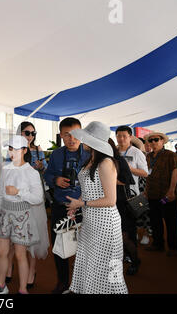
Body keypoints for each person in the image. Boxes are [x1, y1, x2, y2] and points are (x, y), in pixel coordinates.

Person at [66, 121, 128, 294]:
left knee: (107, 268)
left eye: (85, 138)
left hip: (105, 224)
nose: (82, 141)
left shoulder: (106, 163)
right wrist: (77, 204)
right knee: (91, 263)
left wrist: (81, 204)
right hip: (92, 222)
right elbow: (89, 189)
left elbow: (110, 200)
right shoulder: (91, 161)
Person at [0, 135, 48, 294]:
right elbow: (1, 193)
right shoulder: (6, 169)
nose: (12, 152)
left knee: (20, 254)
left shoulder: (31, 172)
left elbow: (38, 198)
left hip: (22, 214)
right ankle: (0, 286)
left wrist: (19, 192)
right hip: (5, 214)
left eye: (16, 149)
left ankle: (22, 289)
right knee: (2, 252)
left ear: (25, 150)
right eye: (10, 149)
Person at [43, 117, 90, 294]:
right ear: (61, 135)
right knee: (59, 246)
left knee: (83, 246)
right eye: (67, 135)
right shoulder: (56, 154)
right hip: (60, 206)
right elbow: (47, 176)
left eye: (76, 134)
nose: (72, 139)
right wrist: (55, 179)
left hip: (83, 208)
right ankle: (63, 281)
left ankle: (81, 283)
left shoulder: (89, 153)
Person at [4, 121, 48, 289]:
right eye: (26, 133)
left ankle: (31, 271)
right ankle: (8, 267)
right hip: (15, 199)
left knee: (32, 236)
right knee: (11, 237)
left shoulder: (38, 150)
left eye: (32, 133)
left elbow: (46, 169)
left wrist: (41, 166)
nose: (30, 136)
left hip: (32, 197)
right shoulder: (12, 151)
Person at [143, 131, 177, 256]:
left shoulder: (170, 155)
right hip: (152, 195)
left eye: (156, 139)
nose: (153, 142)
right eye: (151, 140)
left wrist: (171, 191)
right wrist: (146, 190)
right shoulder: (148, 157)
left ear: (162, 141)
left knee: (171, 222)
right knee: (155, 221)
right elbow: (147, 175)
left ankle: (174, 247)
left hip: (166, 195)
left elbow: (175, 173)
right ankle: (158, 244)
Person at [109, 139, 140, 275]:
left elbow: (128, 180)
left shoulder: (118, 160)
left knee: (125, 236)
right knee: (113, 238)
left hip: (121, 204)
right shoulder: (98, 161)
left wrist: (109, 180)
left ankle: (135, 261)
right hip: (107, 205)